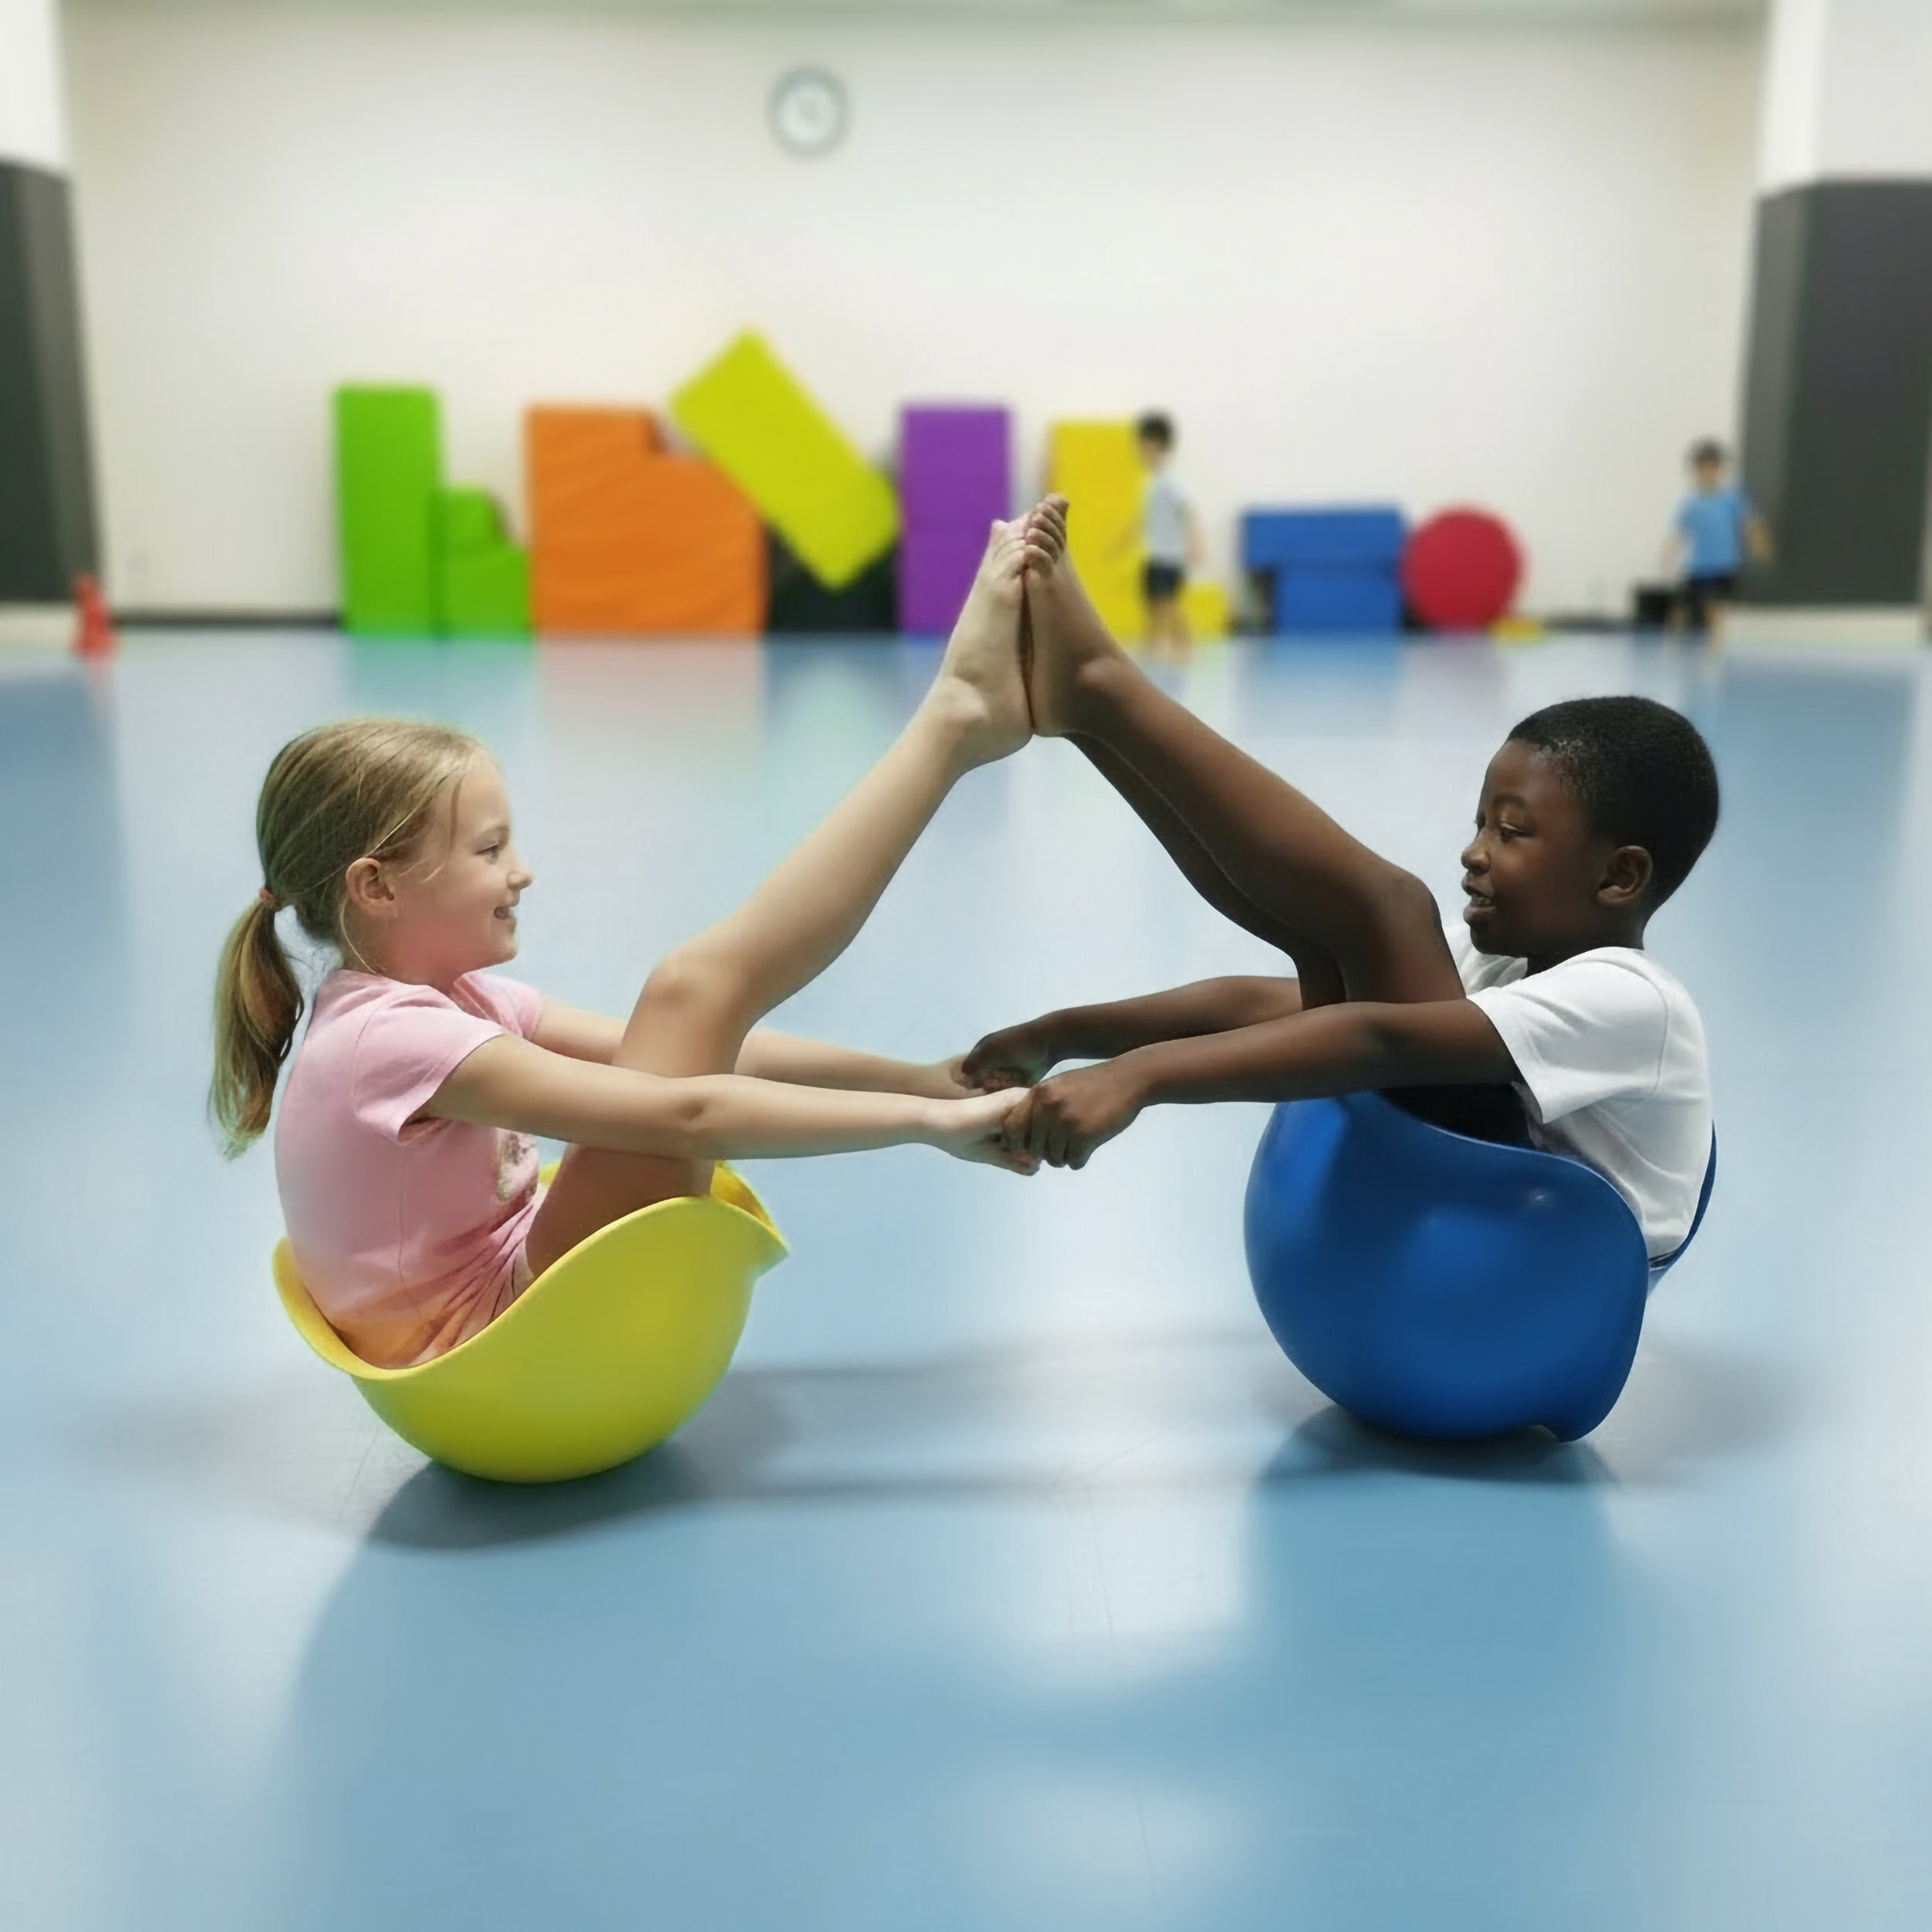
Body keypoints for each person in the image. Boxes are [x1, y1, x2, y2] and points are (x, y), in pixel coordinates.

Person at [210, 512, 1061, 1369]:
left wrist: (919, 1078)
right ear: (377, 886)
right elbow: (685, 1111)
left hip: (505, 1316)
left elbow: (685, 1056)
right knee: (692, 985)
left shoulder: (443, 1002)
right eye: (489, 849)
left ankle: (956, 725)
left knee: (688, 999)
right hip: (505, 1355)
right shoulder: (390, 1043)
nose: (522, 872)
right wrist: (925, 1122)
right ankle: (952, 726)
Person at [966, 497, 1716, 1267]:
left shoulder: (1633, 1000)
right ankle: (1087, 717)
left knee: (1391, 909)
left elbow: (1376, 1037)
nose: (1474, 852)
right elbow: (1263, 1005)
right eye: (1480, 823)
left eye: (1512, 831)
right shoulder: (1504, 969)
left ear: (1619, 875)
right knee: (1320, 936)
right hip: (1472, 1235)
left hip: (1537, 1277)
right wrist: (1059, 1033)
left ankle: (1099, 691)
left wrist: (1136, 1079)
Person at [1666, 437, 1772, 641]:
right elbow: (1680, 533)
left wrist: (1760, 544)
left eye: (1712, 468)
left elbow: (1753, 522)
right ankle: (1671, 646)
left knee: (1714, 609)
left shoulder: (1732, 497)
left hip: (1724, 564)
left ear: (1720, 469)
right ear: (1695, 471)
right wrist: (1670, 551)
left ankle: (1716, 651)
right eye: (1702, 469)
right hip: (1697, 566)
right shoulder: (1690, 503)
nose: (1707, 473)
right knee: (1681, 608)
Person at [1134, 412, 1204, 652]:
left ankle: (1183, 646)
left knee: (1169, 603)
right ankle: (1151, 646)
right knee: (1153, 603)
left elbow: (1187, 511)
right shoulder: (1152, 481)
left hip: (1169, 555)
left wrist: (1195, 543)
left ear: (1155, 444)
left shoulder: (1170, 481)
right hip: (1155, 553)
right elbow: (1147, 519)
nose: (1140, 450)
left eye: (1143, 444)